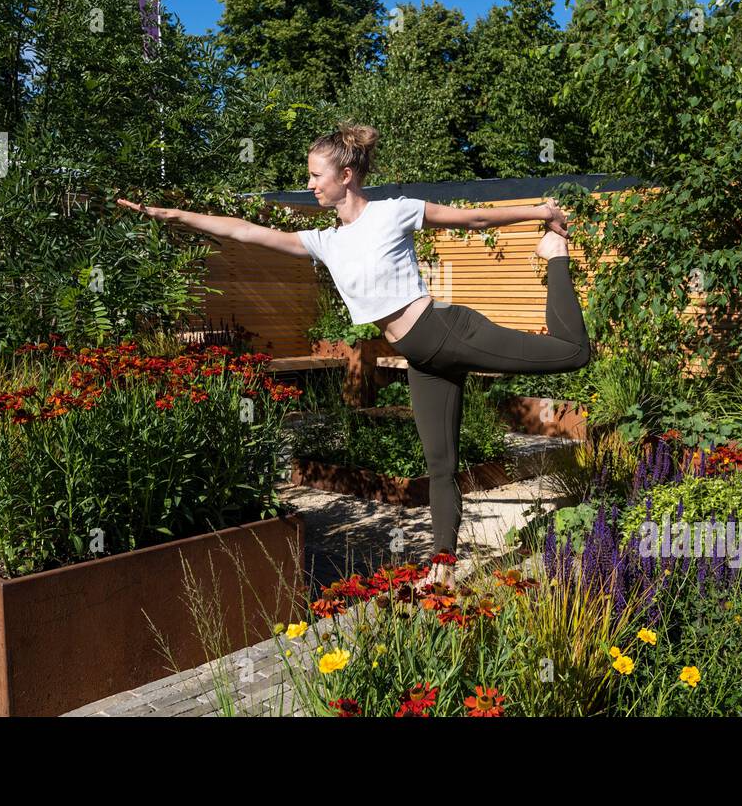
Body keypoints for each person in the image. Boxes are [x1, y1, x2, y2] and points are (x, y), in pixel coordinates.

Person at [117, 121, 590, 589]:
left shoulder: (393, 212)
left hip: (447, 331)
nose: (309, 185)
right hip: (423, 359)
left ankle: (555, 254)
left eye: (315, 176)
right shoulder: (328, 242)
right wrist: (177, 216)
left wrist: (541, 211)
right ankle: (442, 567)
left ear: (346, 174)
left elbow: (476, 219)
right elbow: (245, 231)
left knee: (572, 353)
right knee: (440, 466)